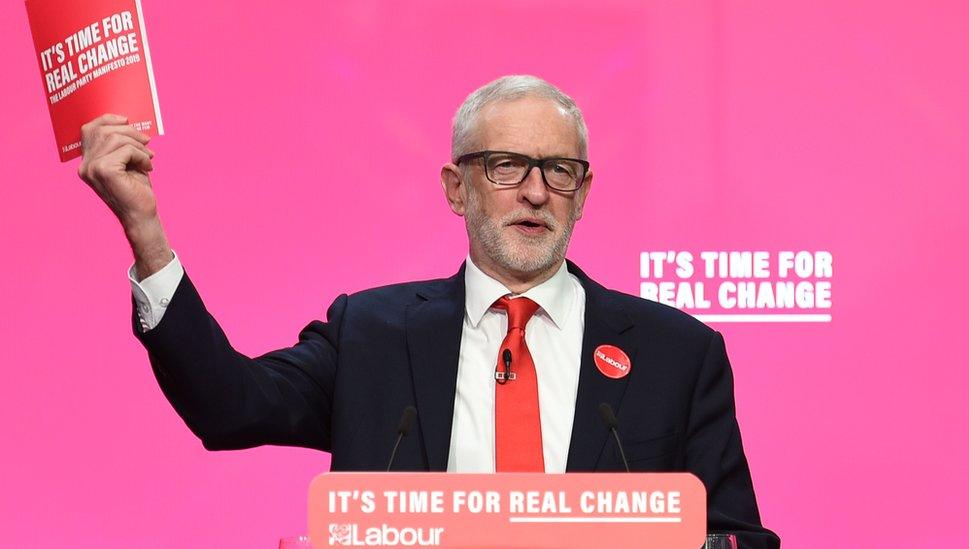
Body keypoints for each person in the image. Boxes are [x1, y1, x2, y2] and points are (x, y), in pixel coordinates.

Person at [77, 75, 779, 547]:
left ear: (582, 192)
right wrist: (146, 234)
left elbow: (740, 536)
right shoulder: (373, 336)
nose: (535, 191)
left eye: (558, 171)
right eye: (506, 165)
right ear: (456, 186)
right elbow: (229, 404)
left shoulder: (676, 351)